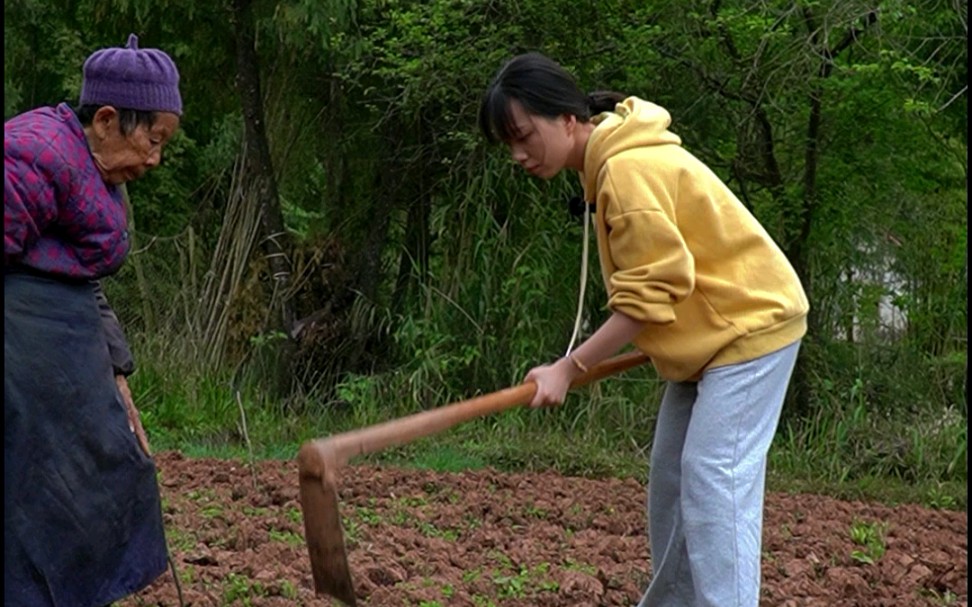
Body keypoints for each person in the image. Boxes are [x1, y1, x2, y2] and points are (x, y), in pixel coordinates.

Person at [478, 52, 809, 607]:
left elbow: (647, 301)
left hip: (750, 330)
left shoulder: (628, 172)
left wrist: (570, 365)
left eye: (523, 135)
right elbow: (663, 289)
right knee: (673, 483)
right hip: (708, 341)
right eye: (507, 142)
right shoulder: (610, 167)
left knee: (712, 477)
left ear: (565, 118)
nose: (517, 154)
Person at [4, 33, 182, 606]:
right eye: (151, 140)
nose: (154, 159)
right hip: (22, 360)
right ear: (107, 119)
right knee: (33, 494)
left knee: (112, 469)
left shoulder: (96, 172)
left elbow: (82, 280)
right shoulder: (34, 154)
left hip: (63, 351)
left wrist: (117, 370)